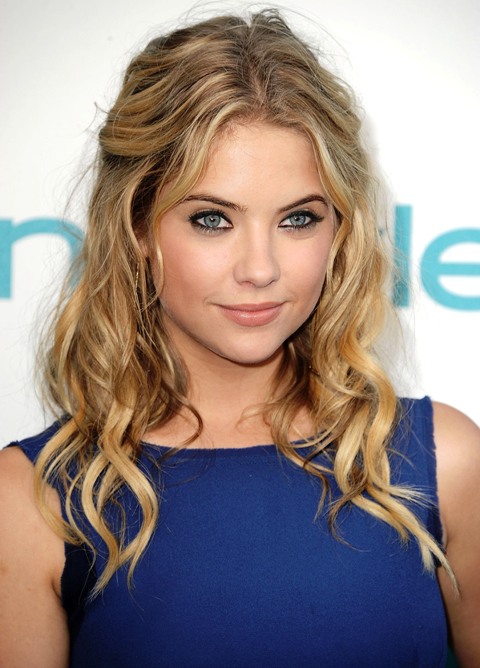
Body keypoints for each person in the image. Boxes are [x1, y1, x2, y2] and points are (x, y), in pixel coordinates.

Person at [0, 9, 479, 667]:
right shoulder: (34, 501)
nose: (260, 269)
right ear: (137, 228)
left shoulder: (445, 462)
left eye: (298, 219)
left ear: (340, 230)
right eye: (212, 219)